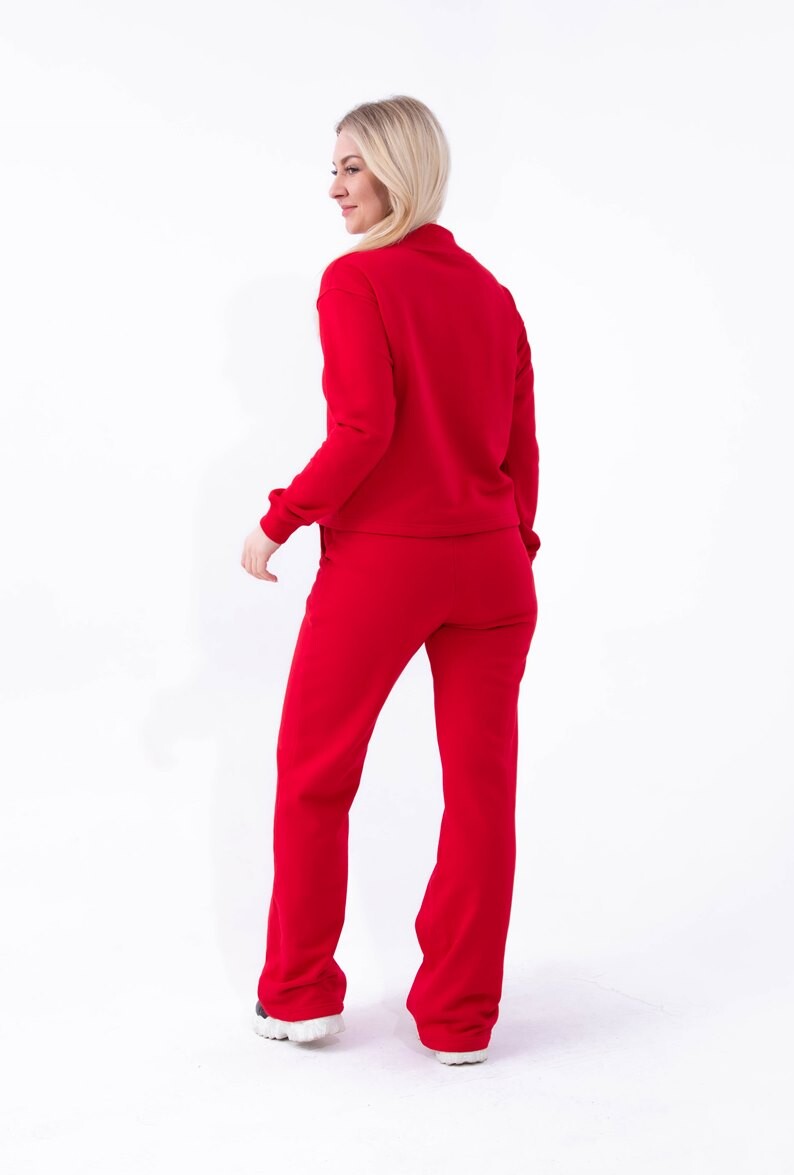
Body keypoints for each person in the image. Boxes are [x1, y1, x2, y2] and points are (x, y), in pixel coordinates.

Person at [241, 95, 540, 1066]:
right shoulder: (492, 295)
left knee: (315, 776)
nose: (335, 188)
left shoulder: (357, 281)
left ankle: (299, 995)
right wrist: (513, 544)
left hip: (385, 565)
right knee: (482, 795)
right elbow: (520, 450)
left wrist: (280, 518)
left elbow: (363, 431)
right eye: (333, 169)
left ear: (400, 172)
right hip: (493, 569)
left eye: (353, 167)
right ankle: (460, 1019)